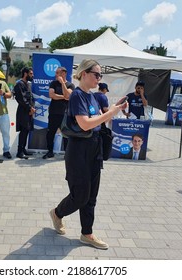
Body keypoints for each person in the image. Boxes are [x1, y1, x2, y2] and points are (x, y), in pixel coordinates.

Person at [49, 59, 126, 250]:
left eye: (101, 75)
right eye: (96, 74)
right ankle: (57, 213)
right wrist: (111, 113)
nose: (99, 79)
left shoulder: (92, 97)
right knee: (80, 196)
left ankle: (87, 233)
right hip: (78, 151)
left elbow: (97, 121)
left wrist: (114, 109)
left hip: (94, 149)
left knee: (91, 196)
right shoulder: (77, 96)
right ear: (84, 74)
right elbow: (85, 124)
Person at [43, 67, 75, 159]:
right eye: (56, 73)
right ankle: (50, 152)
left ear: (64, 74)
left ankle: (67, 153)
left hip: (65, 113)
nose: (56, 75)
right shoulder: (53, 83)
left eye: (58, 73)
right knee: (50, 133)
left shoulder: (70, 85)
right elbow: (51, 95)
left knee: (66, 134)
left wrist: (62, 84)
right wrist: (64, 97)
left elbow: (68, 95)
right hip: (53, 112)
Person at [14, 67, 36, 159]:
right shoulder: (19, 84)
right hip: (23, 111)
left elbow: (30, 98)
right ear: (25, 74)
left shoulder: (28, 84)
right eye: (31, 74)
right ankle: (19, 152)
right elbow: (21, 99)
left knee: (27, 130)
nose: (32, 75)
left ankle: (23, 149)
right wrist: (30, 108)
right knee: (23, 131)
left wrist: (32, 108)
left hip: (29, 111)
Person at [93, 82, 112, 160]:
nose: (105, 92)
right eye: (106, 90)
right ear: (104, 89)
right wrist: (111, 113)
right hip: (101, 120)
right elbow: (105, 109)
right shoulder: (103, 97)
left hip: (92, 119)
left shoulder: (93, 95)